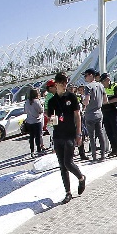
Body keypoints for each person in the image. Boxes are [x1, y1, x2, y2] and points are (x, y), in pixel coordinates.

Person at [44, 72, 88, 205]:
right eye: (62, 83)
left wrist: (79, 133)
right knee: (62, 166)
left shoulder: (72, 97)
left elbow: (77, 116)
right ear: (56, 84)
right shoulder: (52, 101)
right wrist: (51, 120)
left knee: (68, 162)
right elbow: (50, 118)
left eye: (66, 82)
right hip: (58, 135)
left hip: (70, 133)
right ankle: (68, 192)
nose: (64, 85)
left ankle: (81, 178)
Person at [80, 69, 108, 162]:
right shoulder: (101, 85)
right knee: (100, 134)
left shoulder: (88, 87)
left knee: (92, 136)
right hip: (99, 113)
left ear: (91, 75)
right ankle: (103, 155)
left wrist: (82, 101)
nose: (85, 77)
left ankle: (94, 157)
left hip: (90, 114)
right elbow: (105, 100)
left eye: (86, 75)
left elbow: (86, 101)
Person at [100, 72, 117, 157]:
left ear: (108, 80)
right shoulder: (101, 88)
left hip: (114, 111)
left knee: (116, 131)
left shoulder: (115, 86)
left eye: (104, 81)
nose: (103, 83)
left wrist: (108, 102)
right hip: (105, 112)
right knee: (109, 131)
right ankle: (114, 149)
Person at [23, 87, 44, 156]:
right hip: (37, 121)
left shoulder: (27, 102)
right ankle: (38, 149)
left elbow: (25, 111)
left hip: (29, 121)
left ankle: (32, 151)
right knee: (38, 136)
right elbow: (41, 110)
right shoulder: (36, 101)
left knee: (31, 137)